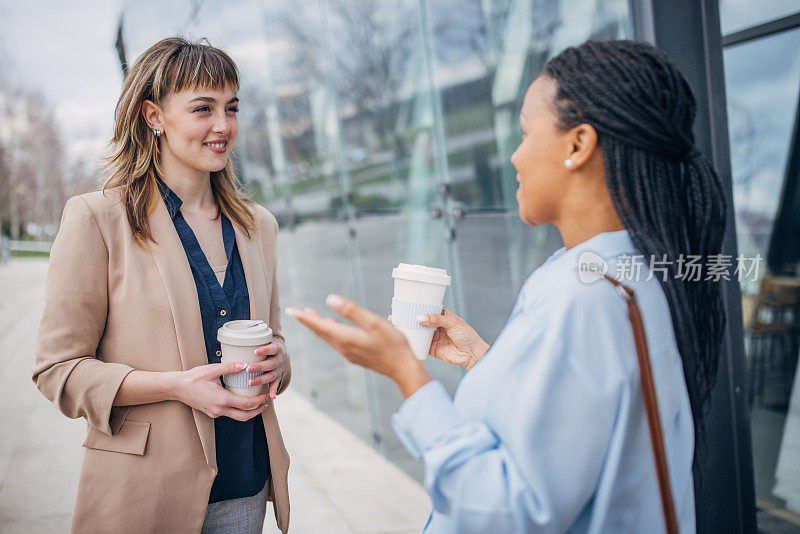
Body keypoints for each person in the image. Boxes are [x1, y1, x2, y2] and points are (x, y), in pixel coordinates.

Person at [288, 39, 727, 533]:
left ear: (577, 145)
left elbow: (507, 514)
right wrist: (484, 361)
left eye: (524, 134)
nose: (515, 158)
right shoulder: (637, 271)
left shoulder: (583, 297)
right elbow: (576, 434)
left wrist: (406, 375)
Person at [32, 37, 291, 534]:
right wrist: (176, 387)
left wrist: (281, 360)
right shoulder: (97, 219)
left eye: (231, 107)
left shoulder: (259, 226)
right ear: (153, 116)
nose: (224, 125)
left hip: (247, 488)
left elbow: (273, 337)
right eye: (203, 108)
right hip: (144, 496)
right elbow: (57, 371)